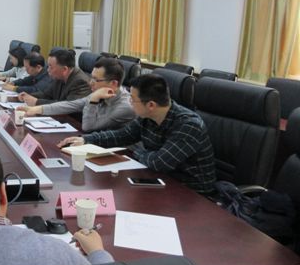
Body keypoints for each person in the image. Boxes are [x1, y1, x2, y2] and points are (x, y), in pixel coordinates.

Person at [58, 73, 216, 194]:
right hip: (159, 180)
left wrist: (136, 151)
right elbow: (122, 135)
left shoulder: (189, 125)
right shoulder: (147, 116)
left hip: (193, 193)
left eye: (133, 100)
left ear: (151, 105)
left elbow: (158, 163)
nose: (130, 103)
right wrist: (86, 140)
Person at [22, 58, 135, 132]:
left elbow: (88, 127)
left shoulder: (125, 107)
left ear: (113, 83)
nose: (90, 83)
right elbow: (71, 105)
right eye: (91, 77)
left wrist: (93, 100)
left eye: (96, 79)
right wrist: (37, 109)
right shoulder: (102, 92)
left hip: (121, 154)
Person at [18, 48, 90, 106]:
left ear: (64, 69)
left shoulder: (80, 82)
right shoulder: (59, 77)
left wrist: (37, 102)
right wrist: (27, 96)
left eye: (51, 67)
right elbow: (46, 95)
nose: (48, 70)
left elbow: (67, 106)